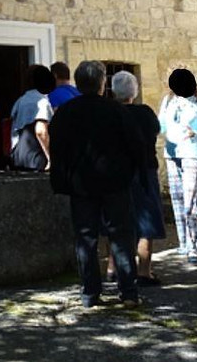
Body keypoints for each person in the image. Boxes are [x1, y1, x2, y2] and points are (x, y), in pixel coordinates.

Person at [49, 60, 141, 307]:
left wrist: (61, 180)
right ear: (102, 83)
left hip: (81, 184)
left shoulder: (66, 113)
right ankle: (128, 291)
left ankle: (90, 292)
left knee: (85, 237)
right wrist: (131, 173)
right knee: (120, 235)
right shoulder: (116, 110)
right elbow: (135, 145)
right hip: (114, 181)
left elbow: (57, 148)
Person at [112, 70, 166, 286]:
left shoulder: (111, 113)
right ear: (134, 91)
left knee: (117, 220)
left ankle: (114, 267)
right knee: (146, 222)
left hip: (118, 172)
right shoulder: (145, 113)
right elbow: (156, 131)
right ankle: (144, 271)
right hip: (144, 170)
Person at [160, 67, 197, 263]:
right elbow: (161, 125)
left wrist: (195, 134)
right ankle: (184, 243)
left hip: (192, 154)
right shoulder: (168, 102)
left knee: (193, 201)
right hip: (172, 154)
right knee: (178, 199)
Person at [10, 64, 55, 171]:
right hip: (37, 157)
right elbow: (41, 130)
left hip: (19, 157)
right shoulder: (42, 102)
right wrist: (50, 158)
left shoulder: (20, 101)